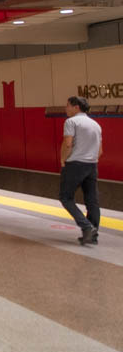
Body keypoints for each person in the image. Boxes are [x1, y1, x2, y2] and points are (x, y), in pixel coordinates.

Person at [60, 96, 103, 246]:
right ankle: (93, 235)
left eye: (68, 105)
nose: (66, 108)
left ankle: (87, 227)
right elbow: (100, 151)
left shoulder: (71, 122)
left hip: (75, 164)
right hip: (92, 165)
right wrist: (90, 159)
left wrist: (63, 160)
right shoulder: (95, 125)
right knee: (92, 201)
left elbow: (68, 144)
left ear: (76, 107)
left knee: (65, 197)